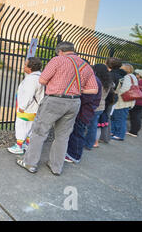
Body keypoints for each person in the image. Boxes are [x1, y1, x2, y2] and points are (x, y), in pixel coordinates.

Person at [16, 42, 98, 176]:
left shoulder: (57, 60)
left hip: (55, 100)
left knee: (39, 132)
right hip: (74, 102)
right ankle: (56, 167)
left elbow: (42, 80)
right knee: (63, 136)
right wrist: (75, 89)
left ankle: (30, 163)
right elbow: (93, 89)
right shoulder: (85, 65)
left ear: (60, 51)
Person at [65, 65, 102, 163]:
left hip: (84, 112)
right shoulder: (94, 79)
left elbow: (87, 98)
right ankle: (72, 152)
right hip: (85, 111)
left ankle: (75, 156)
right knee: (76, 132)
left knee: (77, 133)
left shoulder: (93, 81)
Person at [7, 57, 45, 155]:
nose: (23, 66)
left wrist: (22, 107)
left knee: (21, 126)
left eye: (25, 64)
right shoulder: (38, 77)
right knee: (30, 126)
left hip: (27, 109)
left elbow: (28, 94)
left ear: (30, 67)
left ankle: (18, 146)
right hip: (34, 109)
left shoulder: (31, 80)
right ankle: (27, 144)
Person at [83, 64, 113, 149]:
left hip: (94, 105)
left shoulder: (95, 81)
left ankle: (88, 144)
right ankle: (91, 143)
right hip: (101, 106)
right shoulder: (108, 82)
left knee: (90, 126)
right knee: (94, 126)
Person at [111, 63, 138, 141]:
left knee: (119, 118)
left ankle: (119, 135)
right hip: (128, 101)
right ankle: (115, 132)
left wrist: (118, 93)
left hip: (123, 101)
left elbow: (125, 89)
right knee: (118, 117)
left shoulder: (127, 77)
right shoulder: (133, 77)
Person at [127, 69, 142, 137]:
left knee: (134, 116)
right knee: (137, 116)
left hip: (137, 101)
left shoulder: (139, 83)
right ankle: (135, 130)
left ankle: (133, 131)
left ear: (140, 75)